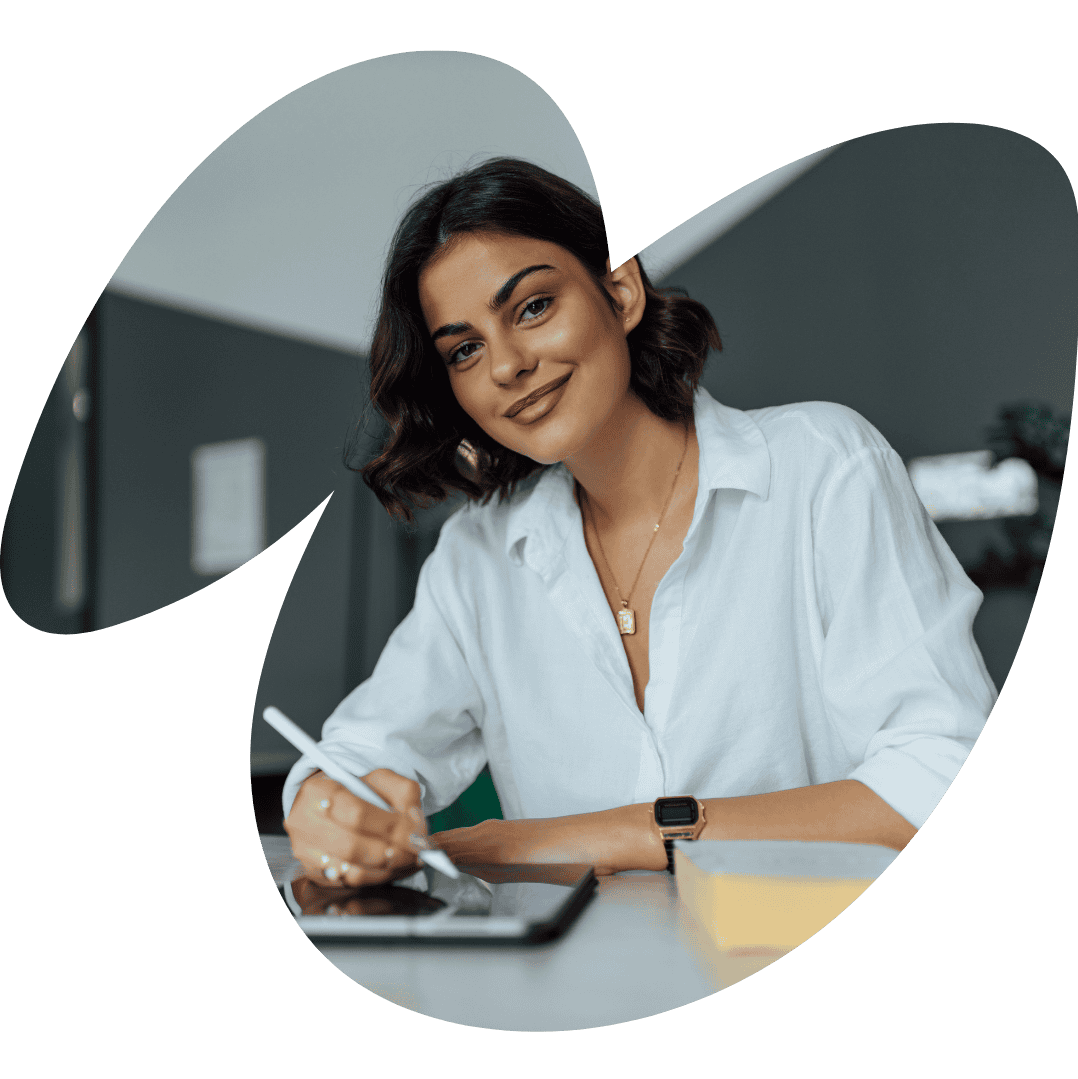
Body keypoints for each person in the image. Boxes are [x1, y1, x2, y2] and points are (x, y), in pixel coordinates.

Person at [281, 157, 996, 891]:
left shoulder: (823, 467)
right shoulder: (479, 553)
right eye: (465, 349)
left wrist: (612, 834)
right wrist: (327, 803)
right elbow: (361, 752)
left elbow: (937, 773)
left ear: (619, 292)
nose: (508, 365)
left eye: (532, 307)